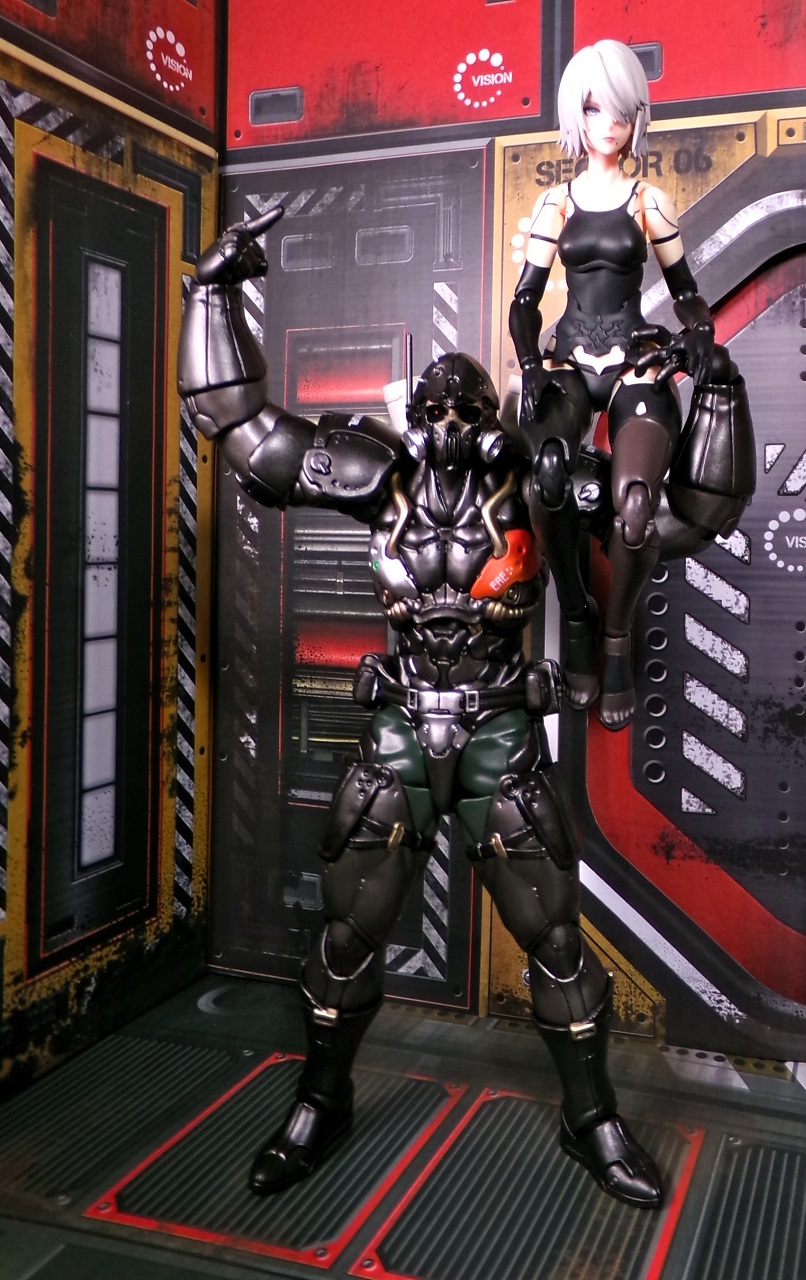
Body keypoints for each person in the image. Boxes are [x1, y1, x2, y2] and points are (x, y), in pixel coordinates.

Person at [177, 208, 664, 1209]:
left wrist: (684, 390)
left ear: (491, 414)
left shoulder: (533, 480)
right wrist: (212, 290)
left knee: (555, 942)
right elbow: (242, 431)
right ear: (413, 413)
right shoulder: (380, 476)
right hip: (400, 726)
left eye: (463, 407)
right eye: (432, 406)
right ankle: (321, 1100)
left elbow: (669, 506)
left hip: (496, 730)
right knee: (346, 934)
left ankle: (591, 1117)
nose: (445, 422)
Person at [510, 39, 750, 729]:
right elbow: (526, 300)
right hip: (565, 361)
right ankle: (576, 616)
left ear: (635, 117)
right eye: (594, 110)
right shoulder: (554, 203)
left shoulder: (649, 200)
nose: (607, 125)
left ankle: (615, 640)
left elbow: (685, 290)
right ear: (576, 116)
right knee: (546, 475)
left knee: (636, 503)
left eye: (619, 112)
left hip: (635, 361)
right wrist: (529, 362)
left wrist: (698, 331)